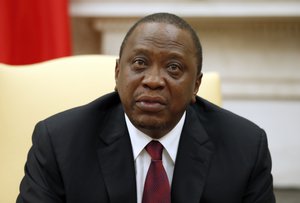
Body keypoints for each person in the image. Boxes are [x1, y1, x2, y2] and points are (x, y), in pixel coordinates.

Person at [17, 13, 275, 203]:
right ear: (118, 73)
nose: (153, 80)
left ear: (196, 85)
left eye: (173, 67)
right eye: (140, 63)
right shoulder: (59, 143)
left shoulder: (246, 148)